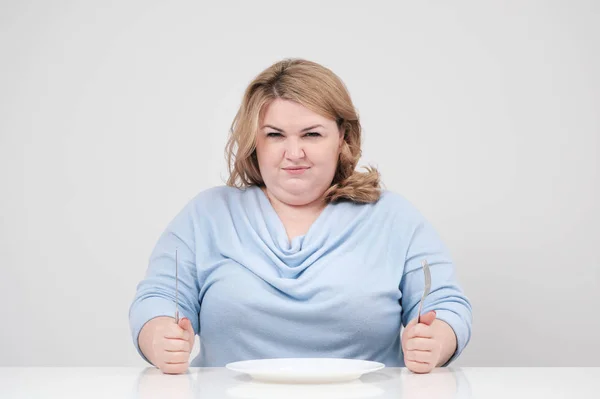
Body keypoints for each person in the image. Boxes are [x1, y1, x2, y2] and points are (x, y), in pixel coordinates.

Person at [128, 58, 473, 375]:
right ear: (253, 142)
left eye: (312, 134)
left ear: (342, 137)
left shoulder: (394, 217)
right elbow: (159, 297)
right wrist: (158, 334)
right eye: (275, 135)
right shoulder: (206, 215)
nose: (294, 153)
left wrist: (437, 341)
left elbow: (445, 304)